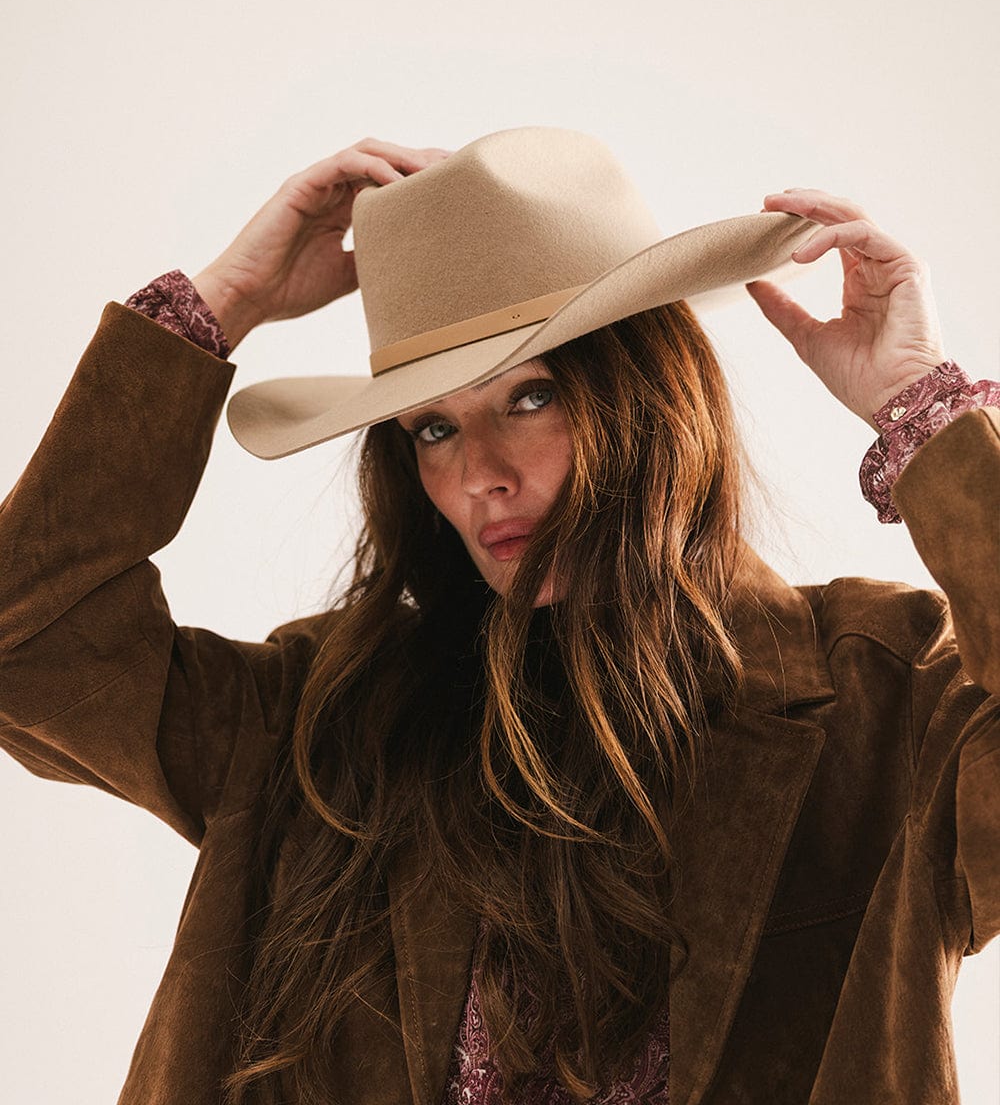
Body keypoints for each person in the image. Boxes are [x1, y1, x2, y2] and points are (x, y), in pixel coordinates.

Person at [0, 125, 997, 1105]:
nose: (479, 475)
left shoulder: (884, 703)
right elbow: (29, 647)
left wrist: (926, 415)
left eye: (529, 398)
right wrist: (226, 299)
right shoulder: (322, 719)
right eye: (434, 426)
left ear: (651, 397)